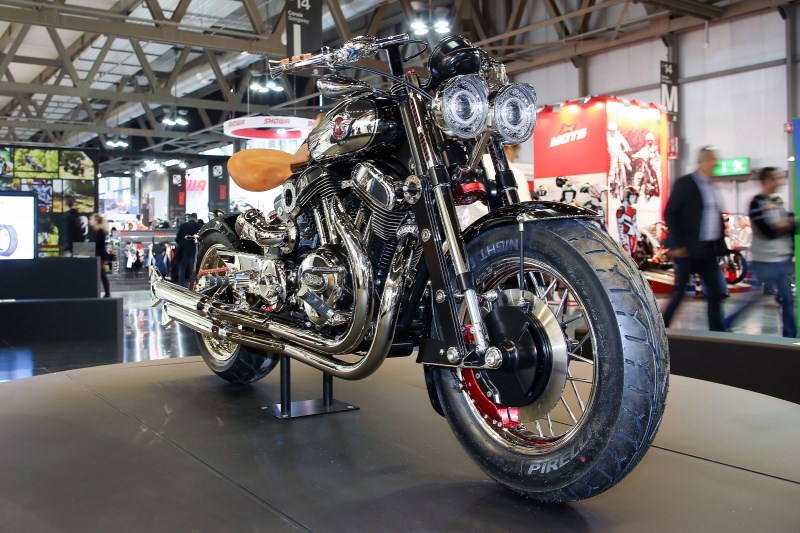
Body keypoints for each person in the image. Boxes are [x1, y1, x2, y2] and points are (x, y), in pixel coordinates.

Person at [724, 167, 796, 337]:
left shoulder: (777, 204)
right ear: (766, 181)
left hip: (781, 259)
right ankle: (727, 322)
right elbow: (767, 230)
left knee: (787, 299)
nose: (778, 182)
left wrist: (783, 225)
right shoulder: (756, 203)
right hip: (765, 261)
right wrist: (783, 225)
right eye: (775, 178)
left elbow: (791, 226)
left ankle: (790, 334)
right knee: (755, 297)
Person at [661, 146, 726, 331]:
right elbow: (670, 212)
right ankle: (662, 328)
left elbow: (714, 217)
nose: (715, 164)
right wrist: (678, 244)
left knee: (715, 292)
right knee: (680, 292)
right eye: (712, 160)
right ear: (702, 162)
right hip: (687, 250)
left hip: (707, 250)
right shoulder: (686, 183)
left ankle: (718, 333)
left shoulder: (711, 186)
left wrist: (721, 244)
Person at [175, 212, 203, 287]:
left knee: (182, 268)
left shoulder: (183, 225)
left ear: (190, 218)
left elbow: (177, 239)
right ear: (196, 218)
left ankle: (181, 285)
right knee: (193, 270)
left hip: (183, 250)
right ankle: (192, 286)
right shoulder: (199, 226)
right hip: (194, 251)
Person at [89, 214, 111, 298]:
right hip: (99, 256)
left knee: (101, 275)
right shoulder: (98, 231)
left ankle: (107, 293)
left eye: (91, 219)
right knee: (101, 275)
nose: (90, 221)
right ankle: (106, 293)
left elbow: (97, 244)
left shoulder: (99, 231)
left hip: (100, 257)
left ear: (96, 221)